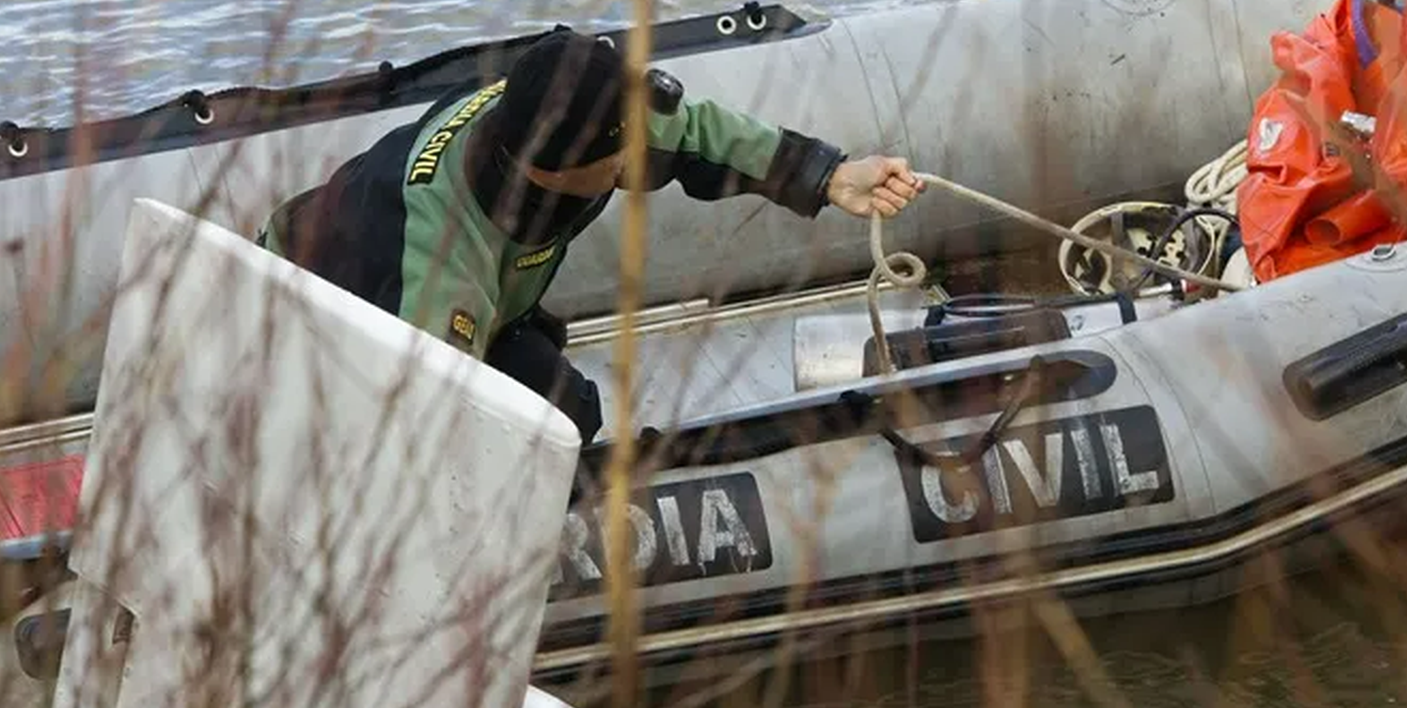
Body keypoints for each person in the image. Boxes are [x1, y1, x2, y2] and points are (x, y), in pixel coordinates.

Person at [257, 26, 923, 445]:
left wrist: (831, 175)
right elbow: (426, 412)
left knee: (559, 388)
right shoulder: (443, 256)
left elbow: (699, 134)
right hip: (321, 315)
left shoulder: (557, 122)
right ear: (563, 171)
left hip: (470, 302)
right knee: (553, 418)